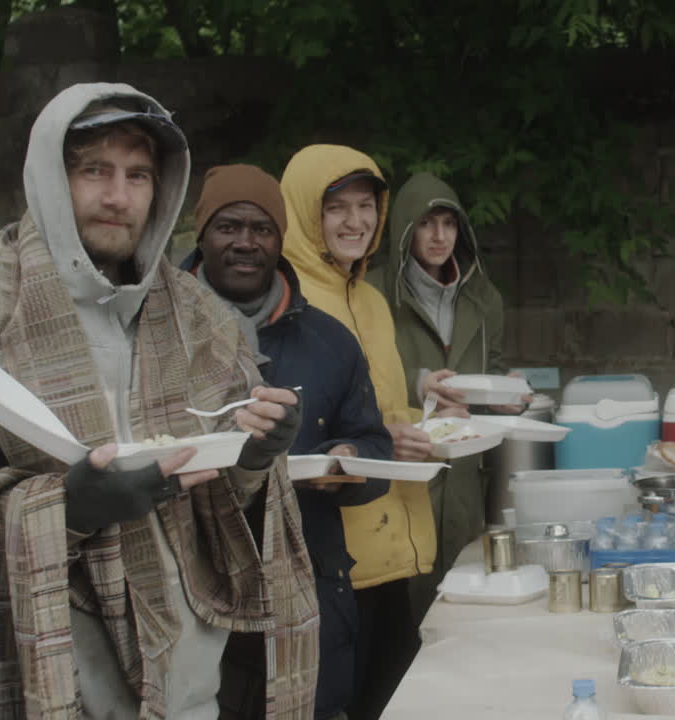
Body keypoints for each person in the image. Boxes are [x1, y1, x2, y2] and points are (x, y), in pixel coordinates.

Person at [0, 83, 316, 717]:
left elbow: (221, 497)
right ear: (50, 175)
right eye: (93, 170)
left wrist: (257, 455)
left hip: (192, 686)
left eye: (138, 175)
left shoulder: (198, 317)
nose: (116, 196)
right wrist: (65, 510)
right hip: (61, 690)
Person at [183, 163, 395, 720]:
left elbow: (374, 443)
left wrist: (352, 463)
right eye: (229, 226)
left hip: (312, 589)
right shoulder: (159, 333)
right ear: (201, 234)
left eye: (262, 228)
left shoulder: (330, 341)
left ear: (282, 239)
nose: (246, 242)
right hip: (192, 588)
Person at [279, 146, 439, 720]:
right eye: (336, 208)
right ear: (302, 213)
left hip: (394, 542)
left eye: (366, 206)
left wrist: (431, 423)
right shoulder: (286, 302)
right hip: (332, 559)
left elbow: (381, 414)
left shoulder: (371, 299)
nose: (355, 222)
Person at [368, 171, 525, 622]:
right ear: (404, 229)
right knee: (402, 610)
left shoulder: (483, 299)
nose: (440, 237)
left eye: (449, 224)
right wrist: (419, 384)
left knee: (462, 599)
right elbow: (360, 375)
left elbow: (486, 372)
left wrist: (504, 393)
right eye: (426, 223)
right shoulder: (375, 294)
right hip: (402, 470)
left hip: (463, 473)